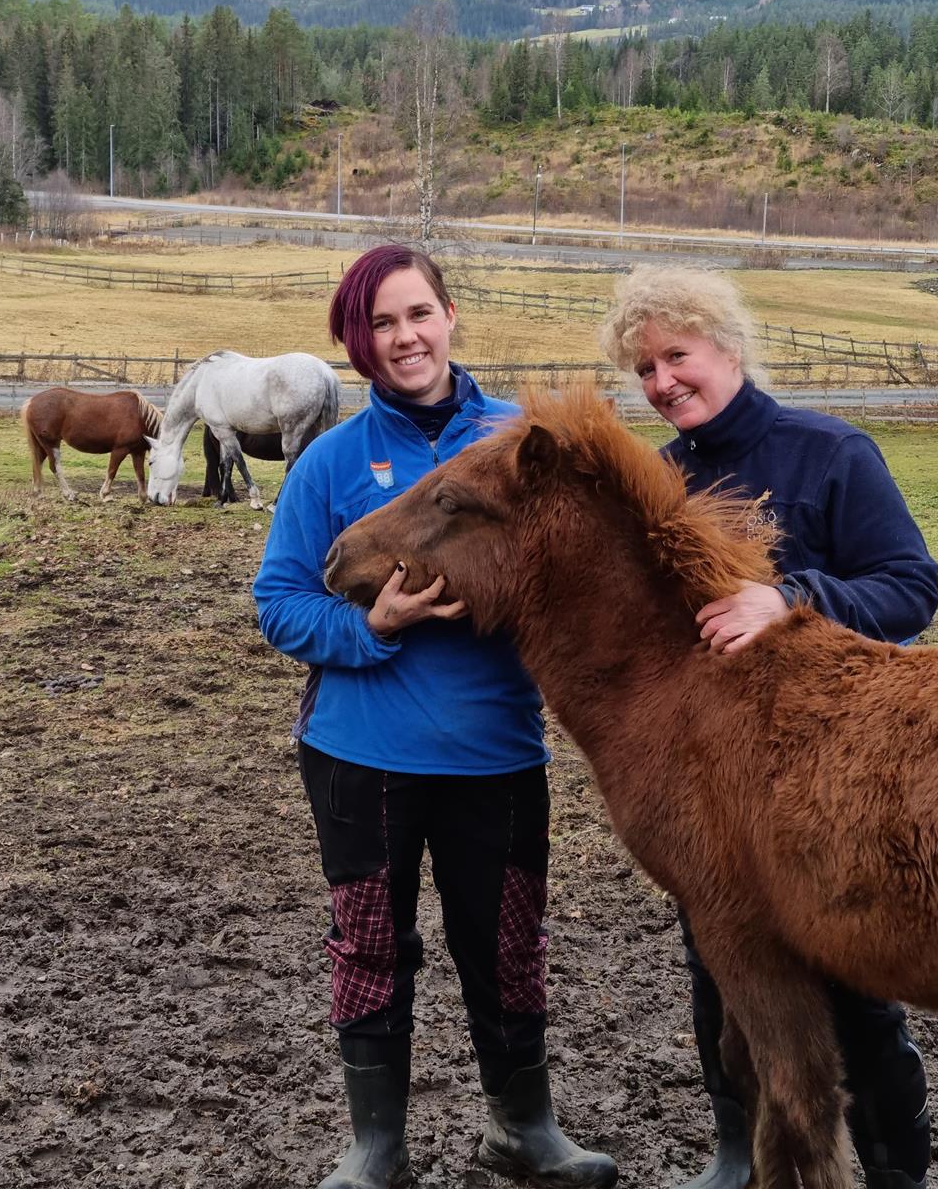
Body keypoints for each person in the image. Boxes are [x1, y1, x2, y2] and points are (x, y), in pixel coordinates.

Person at [253, 245, 618, 1189]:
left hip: (496, 752)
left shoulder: (523, 446)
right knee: (371, 943)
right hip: (361, 755)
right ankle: (377, 1145)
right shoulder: (331, 461)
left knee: (507, 943)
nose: (404, 337)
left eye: (418, 314)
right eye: (380, 324)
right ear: (358, 345)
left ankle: (523, 1128)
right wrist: (369, 628)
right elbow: (280, 601)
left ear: (450, 314)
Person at [598, 265, 938, 1189]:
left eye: (678, 355)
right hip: (713, 795)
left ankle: (896, 1168)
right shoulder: (660, 481)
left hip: (834, 793)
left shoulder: (829, 453)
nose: (664, 381)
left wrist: (788, 597)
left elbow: (911, 587)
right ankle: (741, 1155)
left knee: (859, 1000)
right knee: (723, 980)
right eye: (645, 369)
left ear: (727, 346)